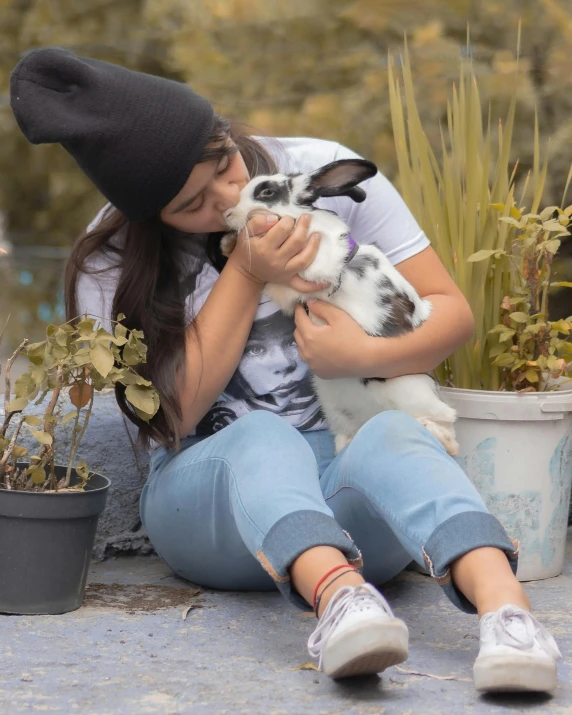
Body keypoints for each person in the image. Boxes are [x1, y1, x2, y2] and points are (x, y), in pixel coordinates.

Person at [10, 47, 562, 693]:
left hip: (354, 490)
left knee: (396, 432)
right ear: (149, 216)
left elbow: (451, 312)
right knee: (262, 435)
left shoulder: (314, 170)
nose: (225, 198)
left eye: (225, 163)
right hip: (212, 507)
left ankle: (509, 617)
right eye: (191, 204)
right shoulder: (109, 259)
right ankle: (343, 606)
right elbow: (175, 413)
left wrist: (365, 356)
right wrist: (247, 271)